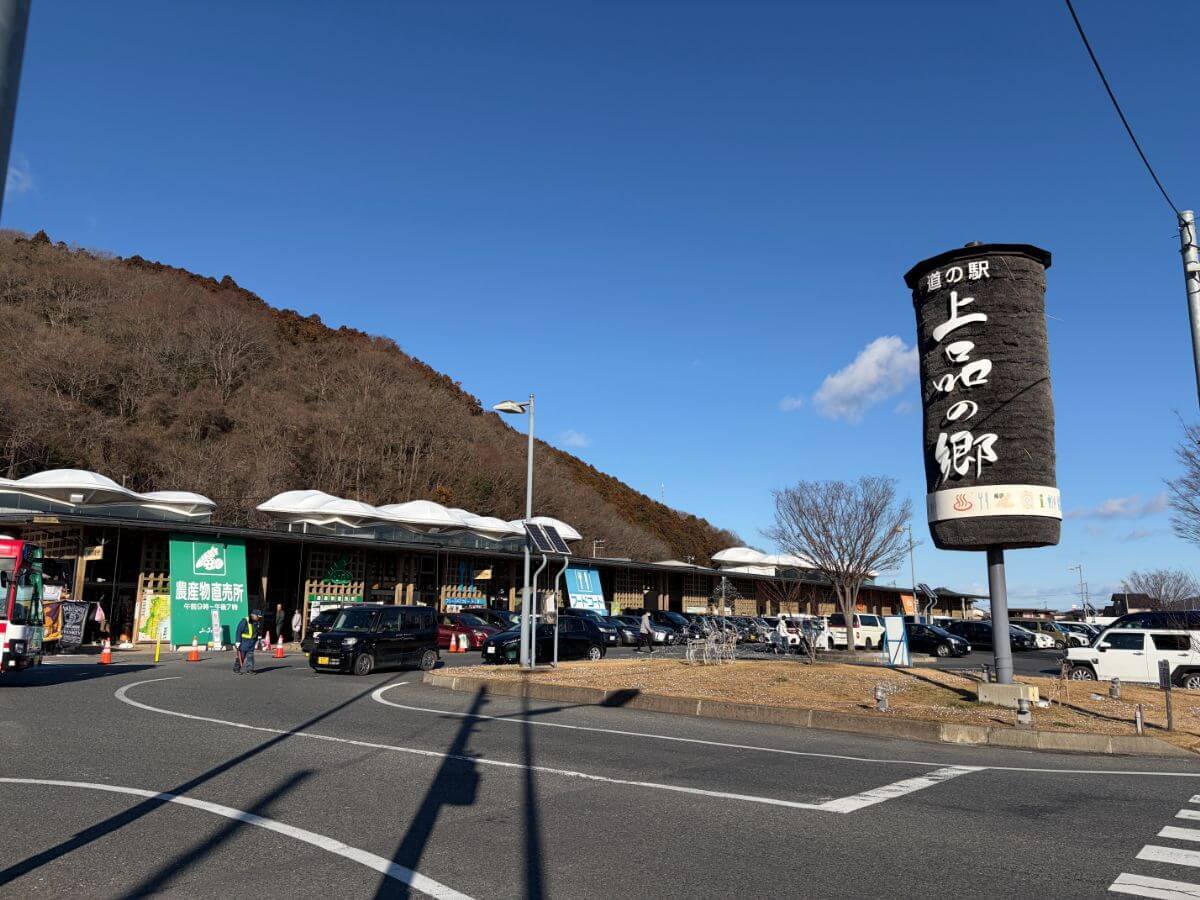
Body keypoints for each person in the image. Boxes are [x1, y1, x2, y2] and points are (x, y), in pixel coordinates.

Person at [233, 610, 262, 674]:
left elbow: (257, 630)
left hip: (252, 642)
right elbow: (239, 631)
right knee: (241, 656)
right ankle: (236, 669)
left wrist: (259, 637)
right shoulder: (244, 621)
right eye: (257, 616)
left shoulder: (257, 622)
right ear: (253, 615)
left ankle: (249, 670)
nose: (258, 618)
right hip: (244, 642)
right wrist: (237, 641)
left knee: (250, 657)